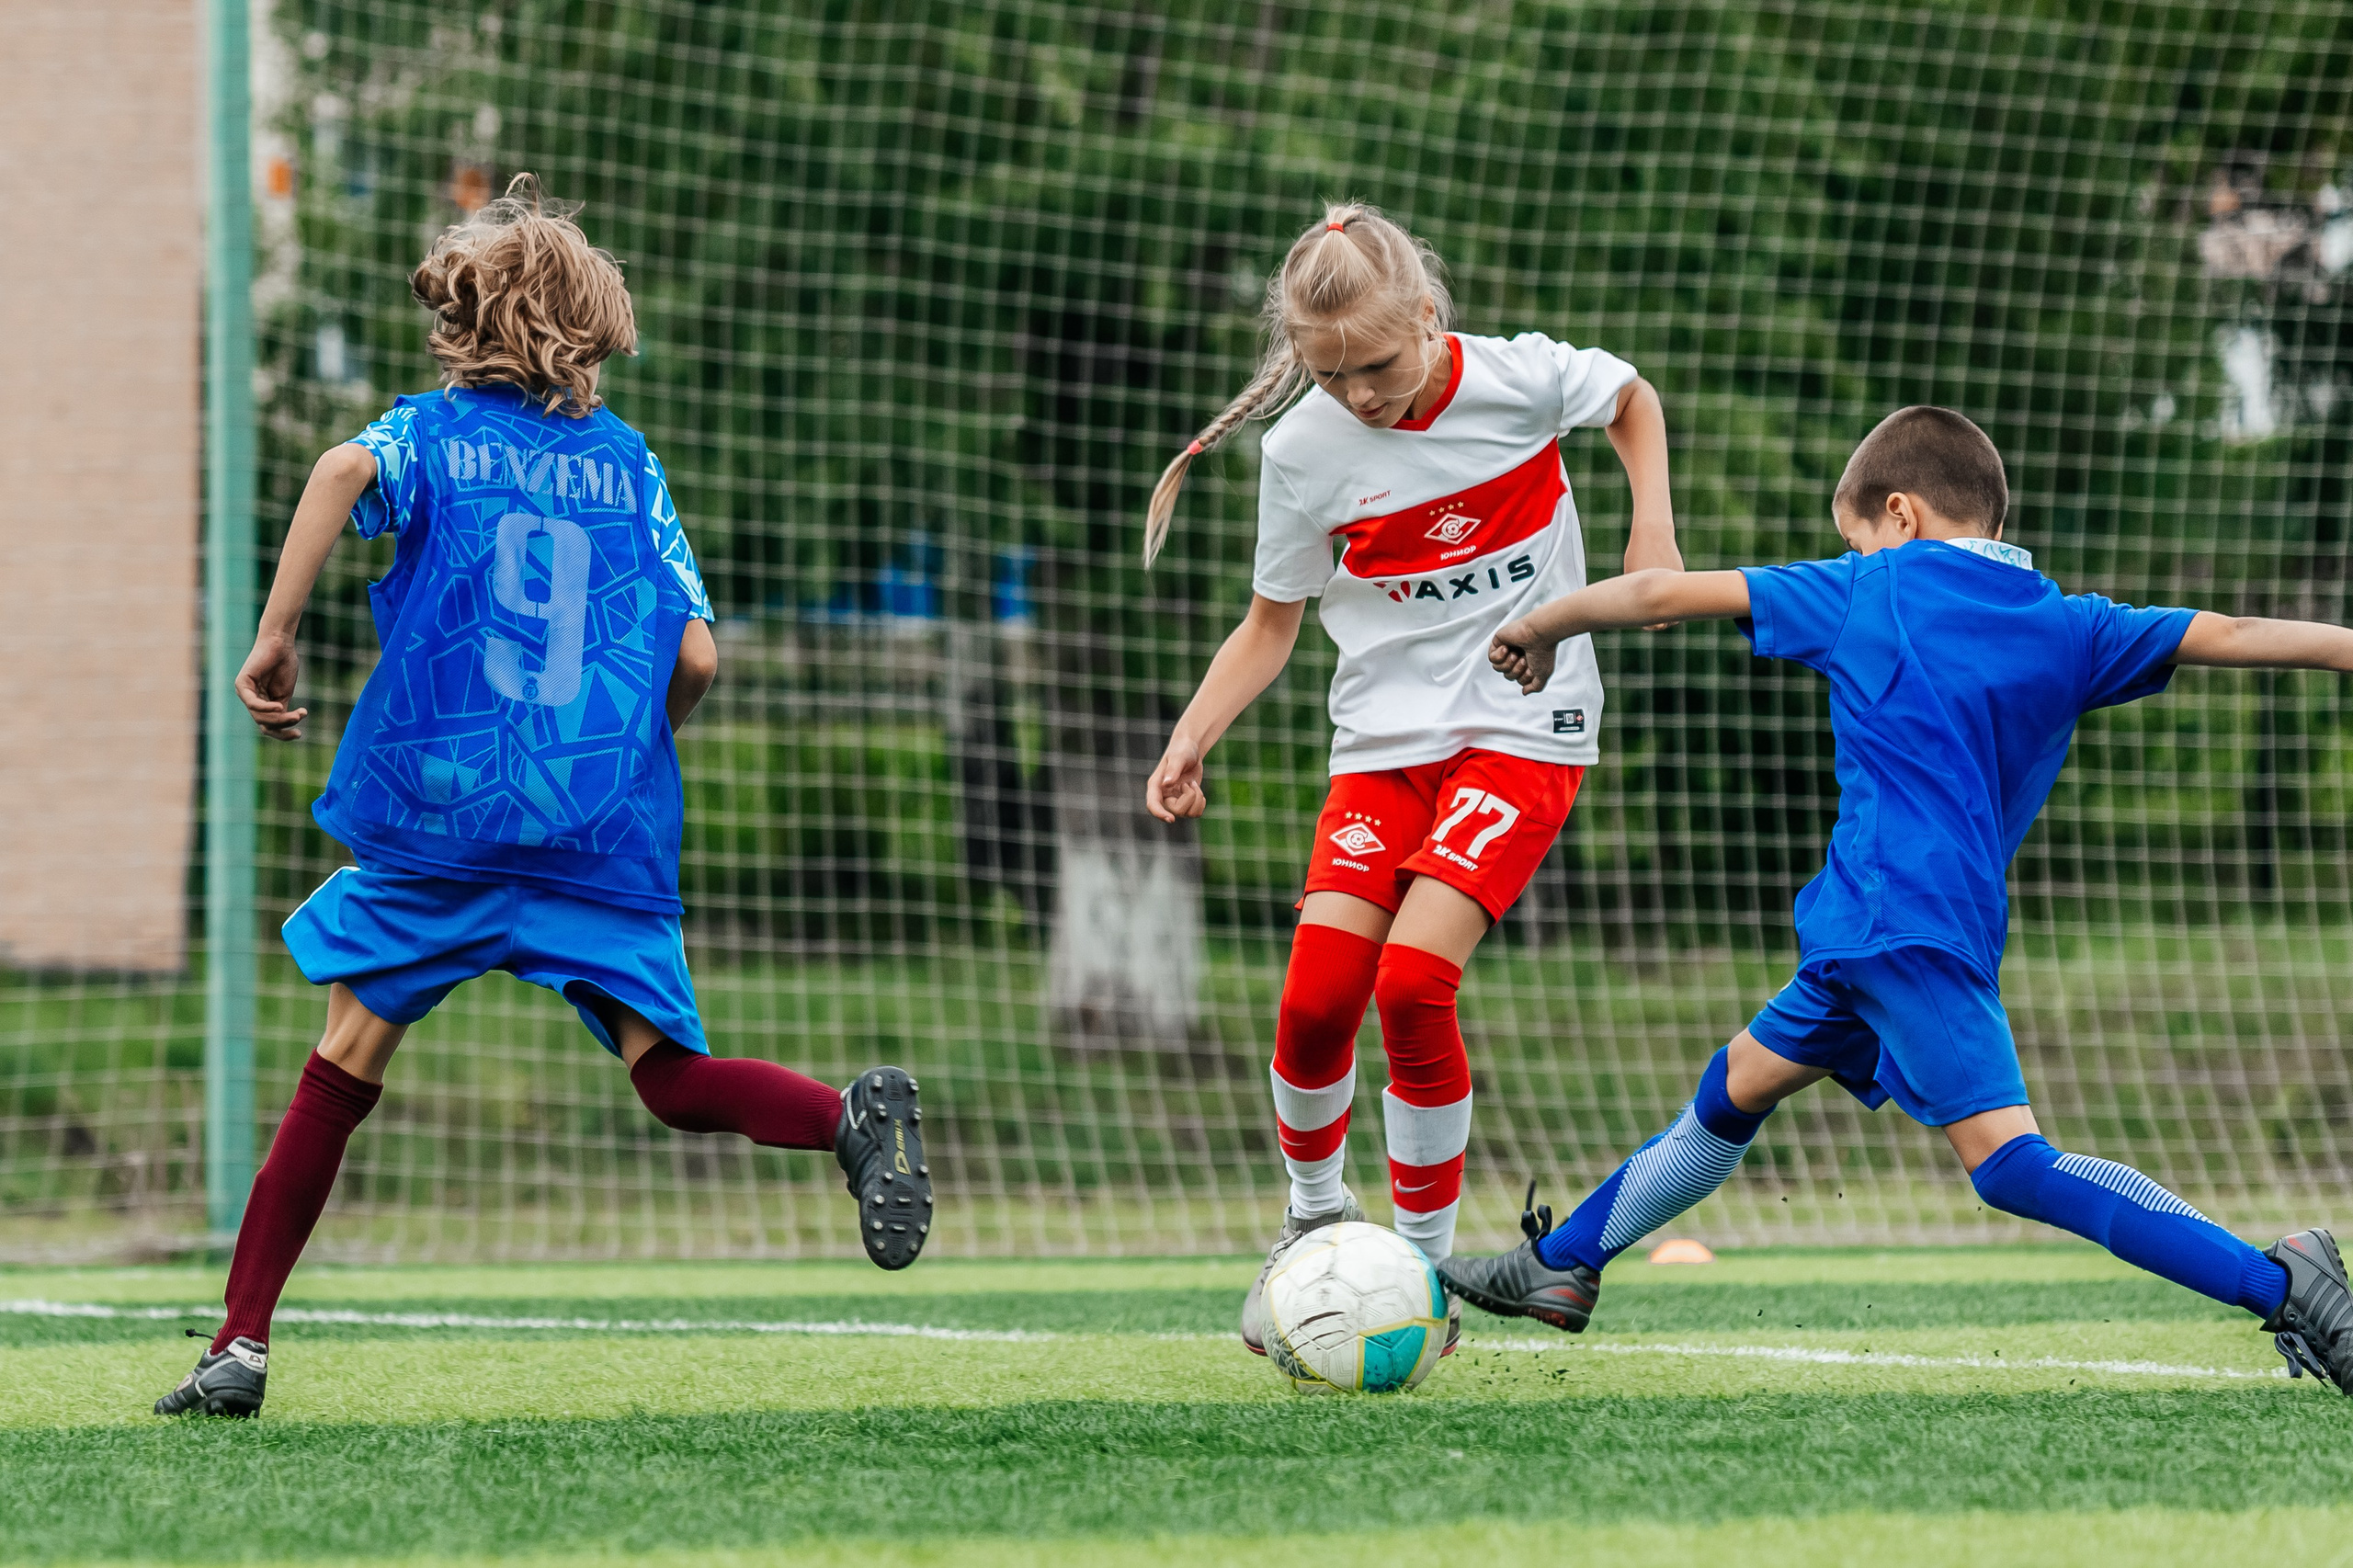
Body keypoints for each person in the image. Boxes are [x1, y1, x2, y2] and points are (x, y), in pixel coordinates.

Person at [154, 176, 931, 1420]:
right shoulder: (632, 469)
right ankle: (845, 1120)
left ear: (472, 332)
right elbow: (694, 658)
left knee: (342, 1064)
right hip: (592, 830)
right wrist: (620, 753)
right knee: (671, 1075)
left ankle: (240, 1343)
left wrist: (275, 634)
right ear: (588, 328)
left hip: (447, 816)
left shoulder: (426, 434)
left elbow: (341, 466)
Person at [1438, 404, 2353, 1392]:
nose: (1854, 550)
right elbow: (2237, 629)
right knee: (1735, 1083)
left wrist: (1539, 621)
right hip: (1875, 930)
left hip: (1897, 928)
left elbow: (1661, 588)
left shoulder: (1870, 588)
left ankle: (2283, 1282)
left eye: (1857, 531)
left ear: (1901, 514)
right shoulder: (2072, 623)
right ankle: (1565, 1261)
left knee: (2008, 1164)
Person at [1141, 202, 1681, 1356]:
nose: (1362, 398)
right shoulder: (1300, 454)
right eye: (1331, 378)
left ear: (1428, 318)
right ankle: (1313, 1222)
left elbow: (1630, 395)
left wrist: (1652, 536)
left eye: (1378, 367)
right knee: (1313, 999)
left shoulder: (1520, 380)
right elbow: (1269, 624)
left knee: (1412, 983)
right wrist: (1192, 735)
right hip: (1382, 747)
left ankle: (1421, 1273)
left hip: (1524, 727)